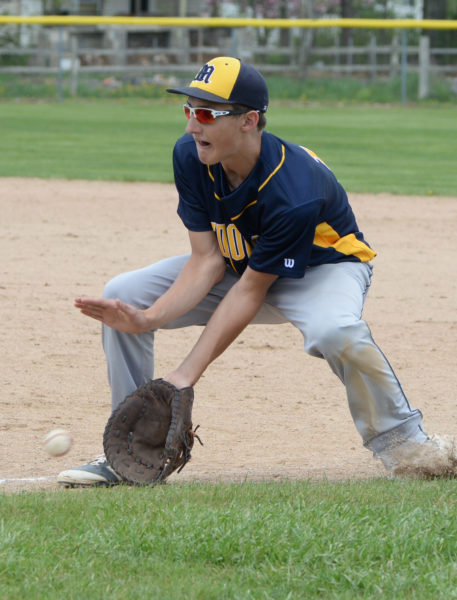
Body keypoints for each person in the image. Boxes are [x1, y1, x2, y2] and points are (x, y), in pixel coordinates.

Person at [58, 56, 443, 487]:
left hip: (321, 271)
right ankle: (130, 453)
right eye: (188, 110)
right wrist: (145, 320)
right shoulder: (191, 156)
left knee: (335, 331)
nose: (191, 126)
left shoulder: (293, 188)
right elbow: (206, 261)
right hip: (241, 265)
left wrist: (184, 375)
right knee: (124, 293)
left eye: (206, 113)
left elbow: (250, 292)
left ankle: (407, 444)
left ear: (249, 120)